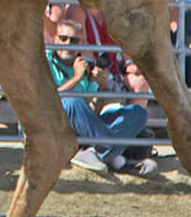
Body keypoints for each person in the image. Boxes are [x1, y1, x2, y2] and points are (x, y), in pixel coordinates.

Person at [48, 19, 156, 176]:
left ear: (82, 43)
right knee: (73, 101)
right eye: (63, 38)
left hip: (85, 132)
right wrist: (76, 79)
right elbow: (48, 100)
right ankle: (116, 158)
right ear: (55, 39)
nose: (67, 44)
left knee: (138, 113)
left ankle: (95, 153)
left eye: (74, 40)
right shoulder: (44, 61)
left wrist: (102, 87)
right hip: (55, 128)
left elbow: (93, 113)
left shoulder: (87, 65)